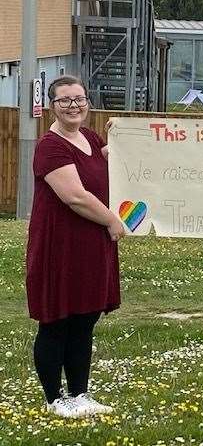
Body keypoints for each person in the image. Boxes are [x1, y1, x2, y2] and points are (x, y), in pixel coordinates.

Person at [26, 75, 125, 418]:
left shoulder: (91, 138)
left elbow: (119, 165)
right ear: (52, 106)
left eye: (79, 99)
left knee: (84, 320)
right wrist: (113, 221)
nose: (73, 106)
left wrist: (125, 135)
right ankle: (55, 399)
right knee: (57, 321)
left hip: (91, 245)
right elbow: (75, 196)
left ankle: (79, 394)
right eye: (65, 100)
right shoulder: (50, 146)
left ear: (88, 102)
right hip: (60, 246)